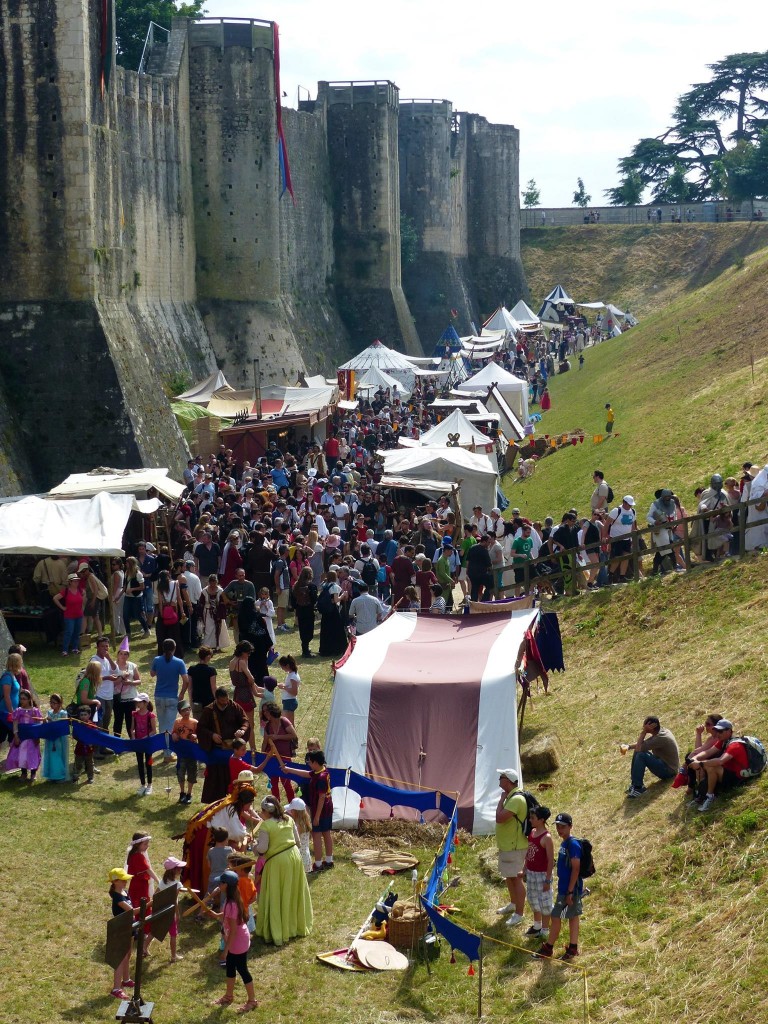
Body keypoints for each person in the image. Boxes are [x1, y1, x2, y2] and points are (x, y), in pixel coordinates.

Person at [253, 794, 313, 945]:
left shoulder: (266, 825)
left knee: (277, 894)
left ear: (267, 812)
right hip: (294, 857)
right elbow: (298, 842)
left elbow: (262, 848)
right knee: (292, 892)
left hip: (277, 862)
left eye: (262, 811)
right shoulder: (289, 820)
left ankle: (278, 929)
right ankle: (294, 926)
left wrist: (254, 847)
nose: (261, 814)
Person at [534, 812, 582, 961]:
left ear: (570, 826)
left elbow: (576, 868)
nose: (559, 830)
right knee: (572, 917)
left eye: (563, 827)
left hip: (569, 889)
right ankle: (572, 948)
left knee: (556, 916)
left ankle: (549, 948)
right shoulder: (564, 843)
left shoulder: (573, 844)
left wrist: (570, 891)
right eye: (558, 827)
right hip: (564, 888)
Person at [211, 870, 259, 1012]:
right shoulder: (231, 900)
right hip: (235, 940)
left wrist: (226, 950)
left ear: (226, 885)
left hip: (237, 942)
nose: (219, 885)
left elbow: (232, 930)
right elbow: (227, 916)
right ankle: (228, 996)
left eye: (221, 883)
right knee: (231, 968)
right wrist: (216, 914)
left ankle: (252, 1001)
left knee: (242, 970)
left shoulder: (232, 903)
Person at [197, 686, 250, 802]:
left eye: (226, 700)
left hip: (232, 750)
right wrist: (212, 735)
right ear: (216, 699)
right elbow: (201, 728)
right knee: (215, 777)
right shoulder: (209, 710)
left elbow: (245, 721)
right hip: (216, 751)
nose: (225, 703)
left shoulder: (234, 706)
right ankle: (215, 802)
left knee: (232, 776)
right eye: (222, 702)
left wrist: (242, 729)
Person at [494, 768, 528, 927]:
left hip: (515, 846)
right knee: (509, 876)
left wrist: (501, 800)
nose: (499, 779)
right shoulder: (511, 797)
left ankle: (519, 914)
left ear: (508, 780)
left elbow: (500, 818)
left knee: (516, 878)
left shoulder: (515, 799)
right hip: (508, 845)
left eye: (501, 777)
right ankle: (514, 904)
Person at [696, 720, 752, 812]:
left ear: (729, 731)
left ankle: (710, 797)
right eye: (717, 731)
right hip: (729, 772)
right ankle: (701, 794)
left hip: (739, 778)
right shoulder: (722, 741)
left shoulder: (735, 745)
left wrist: (700, 763)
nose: (718, 734)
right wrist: (694, 759)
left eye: (720, 731)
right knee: (704, 765)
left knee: (712, 767)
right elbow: (708, 752)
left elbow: (720, 761)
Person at [150, 639, 190, 757]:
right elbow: (186, 680)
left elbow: (152, 674)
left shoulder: (157, 660)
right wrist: (182, 693)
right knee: (170, 725)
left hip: (159, 696)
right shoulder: (179, 662)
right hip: (172, 697)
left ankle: (164, 748)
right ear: (174, 647)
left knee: (162, 724)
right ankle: (168, 752)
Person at [626, 715, 680, 798]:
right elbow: (642, 745)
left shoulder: (661, 738)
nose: (643, 728)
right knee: (639, 752)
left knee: (640, 754)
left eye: (645, 727)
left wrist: (644, 732)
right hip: (665, 764)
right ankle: (635, 784)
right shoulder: (662, 732)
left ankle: (638, 787)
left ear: (651, 727)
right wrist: (628, 746)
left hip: (669, 771)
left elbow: (639, 748)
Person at [126, 832, 160, 956]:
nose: (147, 846)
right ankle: (143, 932)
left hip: (136, 885)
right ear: (138, 844)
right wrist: (159, 881)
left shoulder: (134, 855)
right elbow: (148, 870)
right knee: (143, 907)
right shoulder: (138, 857)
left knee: (136, 907)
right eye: (145, 844)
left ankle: (137, 931)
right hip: (140, 887)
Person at [524, 805, 554, 940]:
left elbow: (550, 861)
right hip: (531, 873)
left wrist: (548, 879)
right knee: (533, 899)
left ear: (541, 820)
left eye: (533, 818)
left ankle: (545, 929)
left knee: (545, 902)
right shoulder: (532, 832)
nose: (530, 820)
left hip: (542, 875)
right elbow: (529, 852)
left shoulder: (546, 838)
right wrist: (525, 869)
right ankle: (537, 925)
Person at [228, 642, 262, 755]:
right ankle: (253, 748)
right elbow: (251, 678)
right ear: (243, 652)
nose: (249, 655)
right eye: (248, 653)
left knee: (240, 723)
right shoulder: (242, 662)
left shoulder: (232, 662)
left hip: (237, 695)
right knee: (250, 724)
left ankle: (240, 747)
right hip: (245, 695)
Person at [107, 867, 135, 1000]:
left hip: (129, 927)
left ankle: (126, 979)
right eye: (123, 880)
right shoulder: (117, 897)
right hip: (121, 929)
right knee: (121, 958)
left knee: (128, 954)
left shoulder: (125, 892)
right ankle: (116, 988)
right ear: (115, 882)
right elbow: (131, 910)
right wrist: (149, 904)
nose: (126, 882)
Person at [261, 702, 297, 802]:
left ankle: (292, 807)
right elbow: (265, 742)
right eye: (263, 712)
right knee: (273, 784)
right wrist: (262, 755)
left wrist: (277, 737)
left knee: (286, 783)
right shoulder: (267, 726)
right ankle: (276, 808)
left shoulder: (283, 721)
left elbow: (293, 735)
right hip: (272, 758)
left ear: (272, 710)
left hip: (284, 757)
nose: (265, 713)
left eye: (266, 711)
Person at [7, 689, 42, 780]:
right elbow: (15, 724)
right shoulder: (19, 711)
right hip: (22, 736)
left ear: (29, 699)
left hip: (31, 736)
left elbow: (38, 723)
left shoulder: (35, 711)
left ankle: (33, 773)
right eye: (20, 698)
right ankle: (23, 773)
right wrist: (16, 735)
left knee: (32, 754)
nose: (22, 701)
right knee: (22, 754)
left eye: (24, 699)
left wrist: (37, 736)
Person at [237, 598, 272, 685]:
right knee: (261, 664)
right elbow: (264, 630)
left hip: (248, 645)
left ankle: (251, 680)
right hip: (260, 644)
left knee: (250, 664)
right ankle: (263, 682)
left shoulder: (241, 616)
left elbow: (241, 631)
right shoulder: (258, 616)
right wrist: (269, 643)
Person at [158, 856, 186, 963]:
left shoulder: (162, 882)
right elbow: (174, 900)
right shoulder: (177, 884)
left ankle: (144, 948)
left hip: (162, 910)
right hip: (170, 912)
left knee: (154, 931)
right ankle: (174, 956)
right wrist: (177, 913)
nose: (181, 869)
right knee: (173, 934)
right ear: (174, 870)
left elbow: (156, 895)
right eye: (179, 868)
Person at [171, 701, 199, 804]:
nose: (187, 712)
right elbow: (174, 732)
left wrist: (196, 736)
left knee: (192, 772)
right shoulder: (177, 722)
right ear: (179, 712)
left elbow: (200, 734)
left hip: (192, 752)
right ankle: (182, 793)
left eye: (188, 709)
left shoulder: (195, 722)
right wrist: (173, 734)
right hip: (181, 752)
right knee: (181, 772)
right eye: (184, 710)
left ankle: (189, 793)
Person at [130, 693, 157, 796]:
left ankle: (150, 784)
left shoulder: (151, 715)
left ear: (145, 703)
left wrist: (145, 737)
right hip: (138, 742)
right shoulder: (134, 714)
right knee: (140, 763)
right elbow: (132, 728)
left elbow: (154, 730)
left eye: (139, 702)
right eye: (137, 701)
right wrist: (133, 736)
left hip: (147, 743)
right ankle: (142, 784)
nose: (137, 703)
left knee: (148, 763)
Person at [606, 495, 636, 582]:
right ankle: (611, 575)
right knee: (617, 557)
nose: (630, 507)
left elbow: (633, 525)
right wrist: (605, 537)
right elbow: (607, 524)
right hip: (616, 538)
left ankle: (622, 576)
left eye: (631, 505)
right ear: (624, 502)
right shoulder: (616, 511)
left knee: (626, 557)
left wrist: (632, 538)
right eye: (628, 504)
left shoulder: (633, 511)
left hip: (627, 538)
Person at [53, 573, 86, 655]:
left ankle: (75, 648)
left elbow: (84, 594)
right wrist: (62, 607)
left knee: (77, 632)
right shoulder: (66, 591)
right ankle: (65, 650)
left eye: (77, 581)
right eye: (74, 581)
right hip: (69, 616)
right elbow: (55, 598)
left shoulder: (80, 590)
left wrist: (82, 606)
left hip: (79, 615)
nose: (76, 583)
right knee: (69, 632)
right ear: (70, 582)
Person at [183, 646, 217, 721]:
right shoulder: (211, 670)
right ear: (208, 657)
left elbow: (190, 687)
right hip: (209, 701)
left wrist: (191, 700)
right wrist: (217, 700)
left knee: (197, 724)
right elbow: (213, 688)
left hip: (196, 700)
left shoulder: (192, 669)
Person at [198, 574, 230, 652]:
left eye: (214, 582)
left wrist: (221, 612)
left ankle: (217, 646)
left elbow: (224, 602)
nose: (213, 585)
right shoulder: (204, 591)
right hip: (207, 612)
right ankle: (207, 647)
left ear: (216, 582)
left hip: (218, 613)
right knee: (208, 630)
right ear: (209, 582)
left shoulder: (220, 591)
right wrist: (200, 615)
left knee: (218, 629)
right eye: (211, 583)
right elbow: (201, 603)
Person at [317, 570, 346, 657]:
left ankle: (325, 649)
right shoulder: (334, 586)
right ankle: (337, 649)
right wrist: (343, 595)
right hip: (333, 611)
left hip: (326, 611)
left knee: (326, 630)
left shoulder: (324, 585)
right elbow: (336, 600)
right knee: (336, 629)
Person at [291, 566, 318, 658]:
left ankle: (305, 648)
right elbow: (314, 599)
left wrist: (296, 607)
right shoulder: (311, 586)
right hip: (309, 610)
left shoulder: (296, 585)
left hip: (300, 611)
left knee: (302, 630)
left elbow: (293, 600)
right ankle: (306, 651)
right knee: (309, 631)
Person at [42, 693, 70, 781]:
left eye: (54, 703)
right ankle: (51, 774)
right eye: (51, 702)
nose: (52, 704)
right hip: (50, 738)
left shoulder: (63, 713)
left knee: (58, 755)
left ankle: (60, 775)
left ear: (59, 703)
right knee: (50, 755)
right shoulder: (49, 712)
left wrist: (52, 720)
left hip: (59, 738)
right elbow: (46, 726)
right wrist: (44, 721)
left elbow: (63, 725)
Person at [286, 797, 313, 873]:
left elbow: (293, 839)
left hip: (299, 857)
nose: (289, 812)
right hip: (305, 856)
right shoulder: (305, 823)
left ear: (296, 812)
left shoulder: (298, 826)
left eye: (291, 811)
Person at [73, 705, 96, 783]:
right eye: (81, 715)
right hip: (80, 747)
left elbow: (95, 735)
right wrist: (81, 738)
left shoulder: (92, 725)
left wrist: (91, 742)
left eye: (85, 715)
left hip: (89, 748)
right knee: (78, 762)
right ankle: (76, 775)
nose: (83, 717)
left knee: (89, 763)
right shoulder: (78, 725)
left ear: (89, 715)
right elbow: (74, 735)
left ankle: (90, 777)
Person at [467, 534, 494, 601]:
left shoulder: (472, 548)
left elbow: (468, 561)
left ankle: (474, 604)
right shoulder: (484, 551)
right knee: (491, 585)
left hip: (472, 573)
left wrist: (467, 571)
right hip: (482, 574)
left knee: (474, 589)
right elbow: (489, 565)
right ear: (484, 542)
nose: (489, 544)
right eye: (488, 542)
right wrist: (492, 572)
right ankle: (484, 601)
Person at [277, 655, 300, 723]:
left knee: (289, 724)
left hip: (290, 701)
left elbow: (294, 692)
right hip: (288, 701)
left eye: (282, 667)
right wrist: (284, 686)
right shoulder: (291, 674)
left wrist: (283, 687)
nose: (282, 668)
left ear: (287, 665)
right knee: (287, 723)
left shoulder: (293, 677)